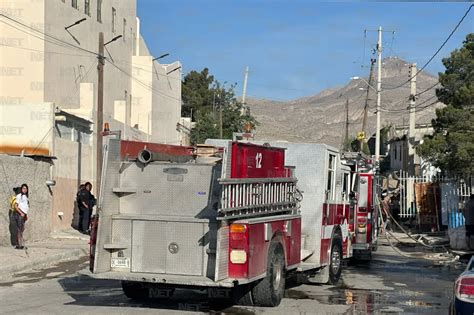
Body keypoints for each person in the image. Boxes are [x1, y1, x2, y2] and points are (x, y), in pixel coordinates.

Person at [12, 184, 29, 249]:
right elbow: (16, 206)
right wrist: (21, 213)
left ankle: (20, 244)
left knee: (22, 229)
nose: (25, 190)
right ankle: (19, 245)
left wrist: (25, 215)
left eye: (26, 188)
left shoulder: (25, 196)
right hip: (19, 215)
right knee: (20, 229)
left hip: (24, 215)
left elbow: (25, 206)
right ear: (21, 189)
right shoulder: (19, 196)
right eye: (23, 188)